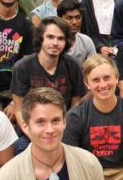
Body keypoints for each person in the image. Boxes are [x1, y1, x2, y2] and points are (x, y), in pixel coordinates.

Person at [11, 17, 87, 149]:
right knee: (19, 148)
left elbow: (75, 104)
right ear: (41, 38)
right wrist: (34, 135)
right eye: (50, 37)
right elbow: (19, 109)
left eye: (61, 38)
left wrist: (63, 132)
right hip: (34, 131)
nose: (55, 43)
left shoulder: (72, 65)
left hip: (63, 128)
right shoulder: (22, 67)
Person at [57, 0, 96, 66]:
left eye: (78, 17)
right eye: (69, 18)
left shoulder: (86, 41)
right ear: (60, 19)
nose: (74, 22)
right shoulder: (54, 42)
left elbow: (94, 66)